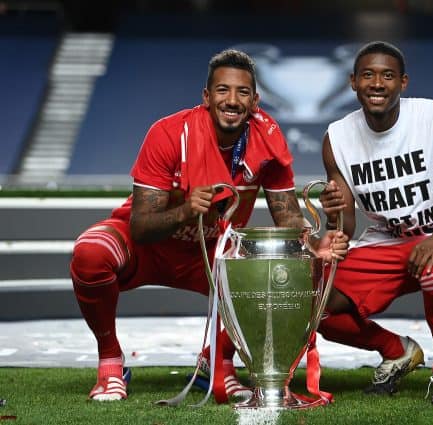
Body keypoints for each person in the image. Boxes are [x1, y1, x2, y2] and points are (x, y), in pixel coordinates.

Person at [70, 49, 348, 402]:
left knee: (279, 270)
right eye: (222, 90)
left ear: (255, 100)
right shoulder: (169, 133)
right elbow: (140, 227)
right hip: (149, 246)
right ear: (206, 96)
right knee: (90, 251)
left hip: (212, 253)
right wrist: (186, 210)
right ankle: (110, 360)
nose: (232, 100)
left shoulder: (268, 140)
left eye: (242, 92)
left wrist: (315, 245)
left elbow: (289, 218)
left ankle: (216, 363)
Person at [317, 41, 433, 405]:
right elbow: (346, 228)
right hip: (385, 241)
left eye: (387, 75)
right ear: (353, 82)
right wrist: (333, 210)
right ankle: (396, 350)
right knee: (313, 302)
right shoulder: (336, 138)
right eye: (368, 75)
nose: (377, 83)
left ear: (403, 83)